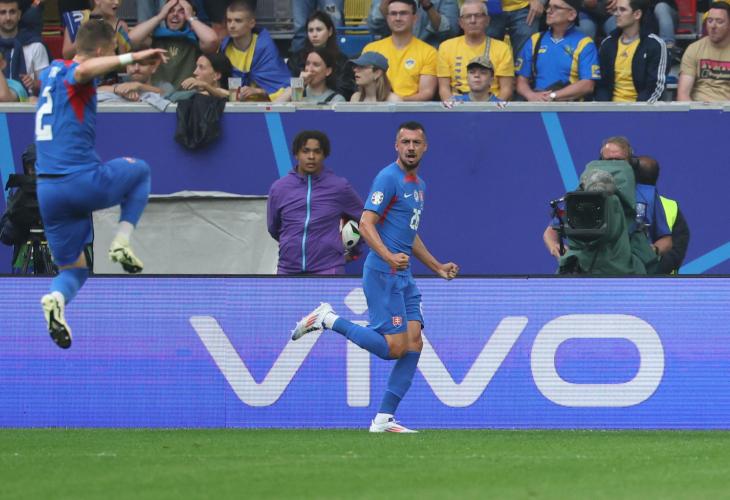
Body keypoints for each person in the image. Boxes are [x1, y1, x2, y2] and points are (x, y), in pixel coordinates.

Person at [291, 121, 459, 433]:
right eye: (405, 142)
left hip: (403, 275)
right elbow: (366, 223)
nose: (410, 147)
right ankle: (327, 319)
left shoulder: (419, 185)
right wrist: (388, 256)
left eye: (416, 143)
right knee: (393, 348)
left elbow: (409, 234)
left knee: (414, 342)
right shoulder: (388, 178)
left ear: (425, 148)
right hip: (383, 272)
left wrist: (435, 266)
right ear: (396, 146)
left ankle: (384, 419)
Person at [34, 20, 166, 349]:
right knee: (141, 170)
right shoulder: (76, 73)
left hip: (48, 191)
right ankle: (121, 242)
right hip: (80, 180)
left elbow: (80, 72)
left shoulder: (51, 71)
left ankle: (56, 298)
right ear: (100, 51)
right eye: (111, 52)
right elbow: (83, 70)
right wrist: (132, 57)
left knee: (74, 270)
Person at [267, 130, 363, 275]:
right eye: (305, 151)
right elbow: (274, 228)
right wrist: (291, 244)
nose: (311, 157)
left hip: (328, 269)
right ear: (296, 154)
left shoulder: (339, 187)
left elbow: (365, 221)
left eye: (317, 152)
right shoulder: (279, 188)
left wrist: (354, 251)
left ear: (324, 155)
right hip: (288, 269)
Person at [516, 0, 601, 101]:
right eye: (548, 7)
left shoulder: (584, 43)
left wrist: (553, 96)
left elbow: (588, 85)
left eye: (556, 7)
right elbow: (521, 80)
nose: (548, 11)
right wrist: (531, 95)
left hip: (570, 106)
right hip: (537, 103)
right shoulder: (535, 39)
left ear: (572, 15)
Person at [128, 0, 219, 90]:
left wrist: (191, 18)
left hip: (188, 96)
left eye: (181, 11)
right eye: (170, 11)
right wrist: (159, 16)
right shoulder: (155, 38)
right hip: (157, 95)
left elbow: (212, 40)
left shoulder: (195, 39)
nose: (175, 14)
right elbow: (131, 39)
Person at [437, 0, 514, 102]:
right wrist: (453, 107)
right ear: (460, 22)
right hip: (457, 104)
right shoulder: (446, 47)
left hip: (491, 103)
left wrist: (492, 108)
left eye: (478, 16)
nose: (473, 20)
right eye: (468, 16)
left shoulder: (502, 48)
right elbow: (444, 88)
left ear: (487, 20)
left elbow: (506, 89)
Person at [361, 0, 438, 101]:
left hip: (410, 109)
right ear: (387, 18)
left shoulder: (429, 52)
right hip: (377, 108)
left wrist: (396, 101)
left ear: (415, 18)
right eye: (393, 14)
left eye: (403, 13)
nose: (398, 18)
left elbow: (426, 93)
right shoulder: (371, 49)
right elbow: (363, 88)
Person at [596, 0, 667, 103]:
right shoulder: (607, 44)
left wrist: (636, 109)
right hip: (610, 108)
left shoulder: (655, 45)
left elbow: (655, 86)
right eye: (616, 9)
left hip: (641, 109)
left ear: (637, 14)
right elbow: (601, 84)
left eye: (622, 10)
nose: (616, 14)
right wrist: (605, 107)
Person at [222, 0, 291, 102]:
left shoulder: (265, 47)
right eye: (229, 20)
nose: (231, 25)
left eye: (238, 21)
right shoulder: (224, 49)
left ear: (252, 23)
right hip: (232, 106)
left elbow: (284, 87)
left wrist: (259, 91)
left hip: (265, 107)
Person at [636, 156, 689, 274]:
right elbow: (678, 250)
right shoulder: (671, 206)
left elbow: (675, 251)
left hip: (657, 280)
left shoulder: (619, 202)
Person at [287, 10, 356, 101]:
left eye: (319, 30)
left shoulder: (343, 62)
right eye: (310, 30)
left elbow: (346, 92)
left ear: (330, 31)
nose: (314, 35)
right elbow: (291, 96)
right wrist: (299, 84)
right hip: (299, 104)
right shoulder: (296, 59)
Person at [677, 2, 730, 102]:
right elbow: (683, 94)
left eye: (719, 21)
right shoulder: (694, 49)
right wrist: (696, 112)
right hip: (698, 107)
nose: (713, 26)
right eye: (710, 21)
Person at [0, 0, 49, 96]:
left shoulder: (36, 46)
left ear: (19, 15)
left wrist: (34, 84)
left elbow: (47, 86)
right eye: (3, 12)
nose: (8, 17)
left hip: (28, 104)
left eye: (12, 12)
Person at [368, 0, 459, 48]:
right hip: (391, 53)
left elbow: (451, 33)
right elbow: (375, 30)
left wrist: (428, 5)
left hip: (431, 53)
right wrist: (384, 6)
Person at [62, 0, 133, 60]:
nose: (117, 2)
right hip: (82, 70)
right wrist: (89, 34)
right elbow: (66, 55)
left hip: (110, 71)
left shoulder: (121, 26)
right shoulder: (77, 19)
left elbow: (125, 64)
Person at [98, 56, 174, 107]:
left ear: (153, 67)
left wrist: (139, 86)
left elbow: (165, 93)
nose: (136, 68)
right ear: (127, 67)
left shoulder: (164, 85)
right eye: (132, 64)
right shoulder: (122, 84)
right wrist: (117, 89)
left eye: (142, 64)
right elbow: (97, 90)